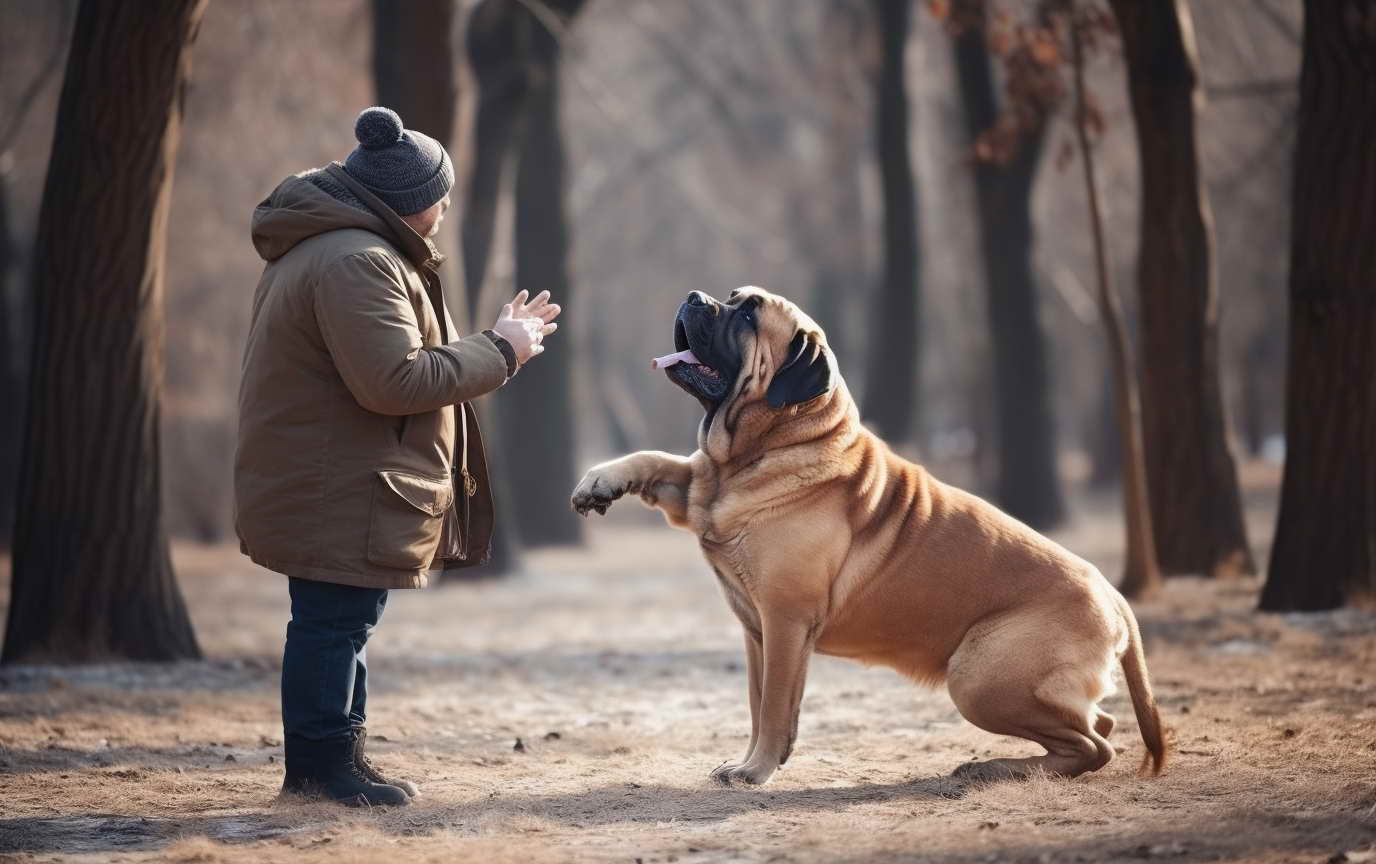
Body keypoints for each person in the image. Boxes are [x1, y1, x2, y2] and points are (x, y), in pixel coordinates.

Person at [235, 107, 560, 807]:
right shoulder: (357, 261)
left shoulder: (346, 249)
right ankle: (321, 773)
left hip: (341, 479)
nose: (445, 207)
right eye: (439, 194)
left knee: (345, 620)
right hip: (337, 483)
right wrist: (501, 349)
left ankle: (341, 757)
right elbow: (395, 381)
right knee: (332, 623)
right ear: (413, 202)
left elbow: (395, 365)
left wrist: (498, 345)